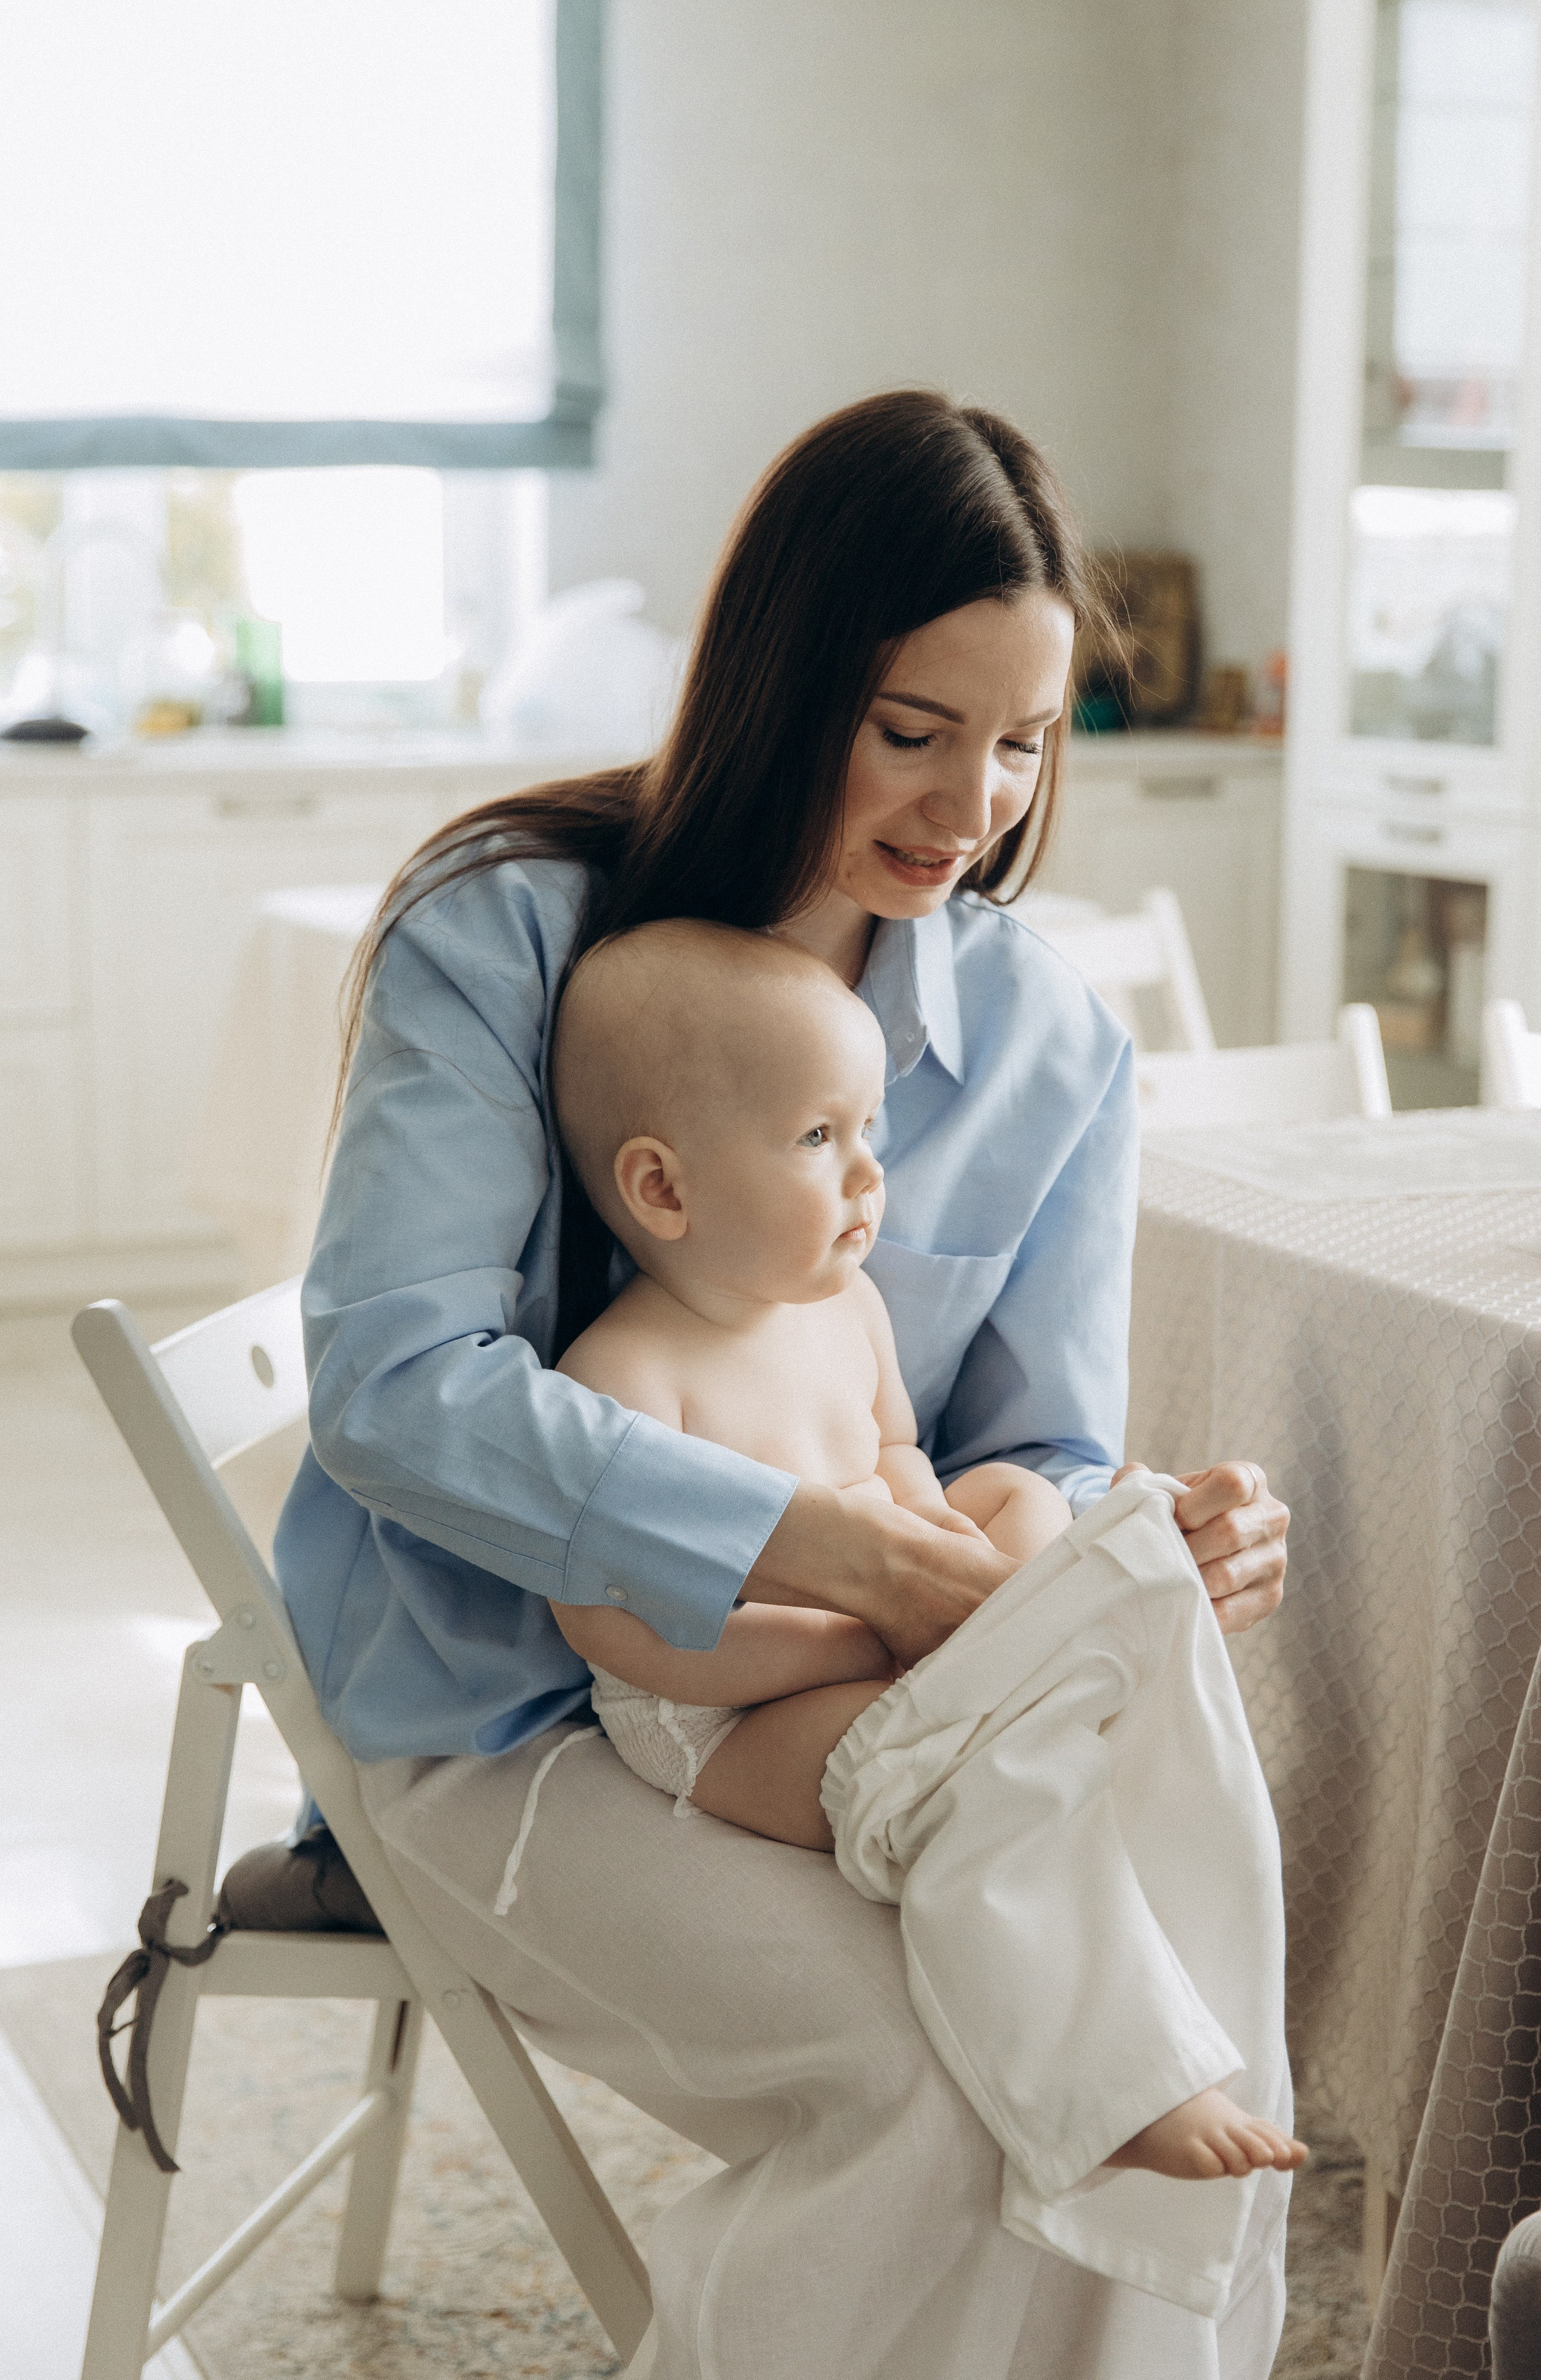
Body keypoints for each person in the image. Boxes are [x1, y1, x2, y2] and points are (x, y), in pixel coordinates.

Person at [276, 388, 1293, 2377]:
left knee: (1145, 2023)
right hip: (505, 1728)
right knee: (939, 2080)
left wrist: (1137, 1533)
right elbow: (395, 1382)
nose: (971, 801)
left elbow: (1031, 1449)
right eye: (913, 731)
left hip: (874, 1726)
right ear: (779, 679)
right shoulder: (507, 939)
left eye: (1023, 743)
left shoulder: (1052, 1048)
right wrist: (809, 1538)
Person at [545, 916, 1304, 2301]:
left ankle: (1047, 1674)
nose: (871, 1177)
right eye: (818, 1139)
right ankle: (1116, 2083)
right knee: (977, 1789)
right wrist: (869, 1633)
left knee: (1014, 1489)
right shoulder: (625, 1381)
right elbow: (621, 1633)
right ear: (662, 1187)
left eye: (870, 1131)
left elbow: (900, 1462)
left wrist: (947, 1540)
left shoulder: (844, 1314)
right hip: (720, 1712)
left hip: (882, 1636)